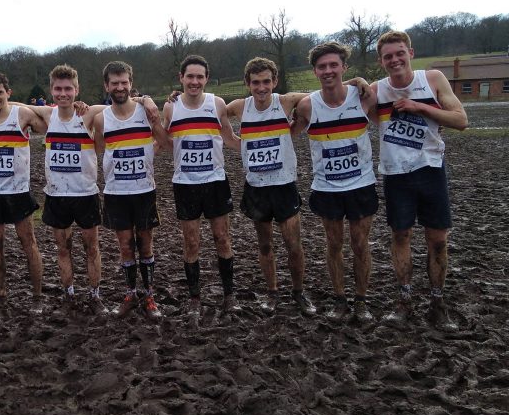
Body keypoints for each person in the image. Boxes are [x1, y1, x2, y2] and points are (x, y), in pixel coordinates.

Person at [373, 30, 468, 332]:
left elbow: (461, 120)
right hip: (396, 174)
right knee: (401, 237)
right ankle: (404, 302)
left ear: (410, 53)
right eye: (388, 56)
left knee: (437, 240)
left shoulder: (433, 79)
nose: (395, 59)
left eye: (400, 53)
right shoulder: (377, 89)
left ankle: (438, 305)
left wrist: (420, 107)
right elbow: (348, 95)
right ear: (381, 61)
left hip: (430, 170)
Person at [293, 42, 378, 324]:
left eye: (333, 65)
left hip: (361, 184)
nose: (328, 71)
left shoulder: (365, 96)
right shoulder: (307, 105)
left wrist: (359, 81)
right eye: (322, 67)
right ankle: (340, 299)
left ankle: (362, 301)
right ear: (315, 71)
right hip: (327, 187)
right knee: (334, 243)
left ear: (344, 67)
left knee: (360, 243)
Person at [226, 57, 316, 316]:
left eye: (266, 81)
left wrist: (295, 128)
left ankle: (299, 293)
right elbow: (215, 112)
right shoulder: (240, 107)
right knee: (265, 245)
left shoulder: (285, 102)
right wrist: (236, 143)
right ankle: (272, 293)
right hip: (256, 186)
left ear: (274, 82)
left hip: (284, 184)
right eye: (256, 83)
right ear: (248, 84)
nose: (261, 87)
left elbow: (318, 96)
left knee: (293, 244)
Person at [82, 61, 167, 320]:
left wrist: (148, 150)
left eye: (124, 82)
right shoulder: (100, 119)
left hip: (144, 189)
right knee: (125, 246)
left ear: (131, 83)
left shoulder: (146, 112)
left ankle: (149, 295)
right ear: (106, 86)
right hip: (116, 192)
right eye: (114, 83)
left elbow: (163, 142)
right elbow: (99, 149)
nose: (120, 87)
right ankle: (131, 293)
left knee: (146, 244)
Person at [162, 54, 241, 323]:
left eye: (200, 76)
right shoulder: (171, 108)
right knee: (191, 242)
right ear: (181, 78)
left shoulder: (216, 104)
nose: (195, 81)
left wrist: (262, 144)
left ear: (206, 79)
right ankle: (195, 297)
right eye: (190, 76)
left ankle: (229, 295)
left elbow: (230, 138)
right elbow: (163, 140)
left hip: (215, 182)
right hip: (185, 184)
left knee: (222, 238)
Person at [30, 65, 107, 314]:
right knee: (63, 248)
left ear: (77, 90)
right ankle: (69, 295)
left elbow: (123, 103)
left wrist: (147, 100)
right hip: (56, 194)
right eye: (58, 89)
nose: (63, 94)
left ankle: (95, 296)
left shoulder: (89, 114)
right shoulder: (47, 115)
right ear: (51, 90)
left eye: (68, 89)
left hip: (85, 193)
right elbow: (14, 106)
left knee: (91, 248)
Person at [0, 72, 47, 313]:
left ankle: (37, 296)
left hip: (18, 191)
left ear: (9, 92)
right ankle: (0, 294)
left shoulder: (22, 115)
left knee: (29, 243)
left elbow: (51, 124)